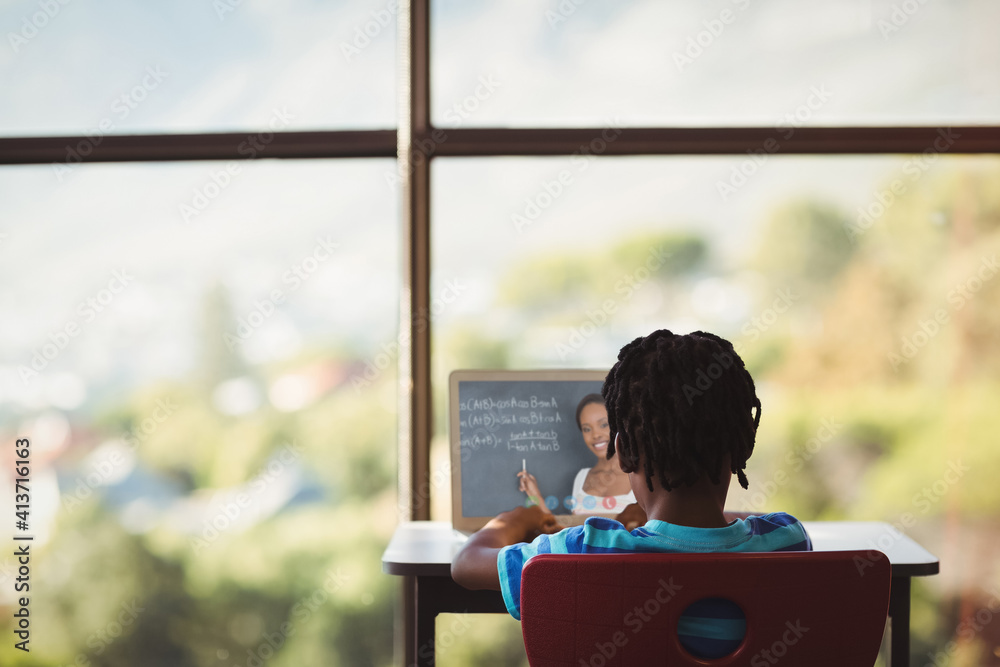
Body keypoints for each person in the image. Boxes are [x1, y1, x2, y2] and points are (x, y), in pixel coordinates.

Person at [451, 329, 812, 659]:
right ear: (743, 443)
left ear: (621, 452)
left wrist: (517, 519)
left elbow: (466, 564)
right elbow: (735, 527)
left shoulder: (583, 549)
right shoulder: (788, 541)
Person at [516, 394, 636, 514]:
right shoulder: (582, 478)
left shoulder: (638, 476)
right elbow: (567, 531)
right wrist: (535, 495)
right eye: (587, 429)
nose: (595, 435)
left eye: (604, 425)